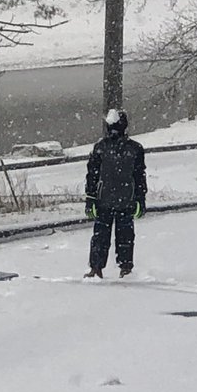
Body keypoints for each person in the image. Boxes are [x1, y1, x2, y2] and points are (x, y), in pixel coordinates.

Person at [84, 108, 147, 278]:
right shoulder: (132, 148)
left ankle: (103, 268)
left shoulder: (103, 148)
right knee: (119, 236)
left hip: (112, 200)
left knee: (104, 236)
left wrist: (90, 198)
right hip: (121, 200)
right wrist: (140, 198)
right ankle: (117, 267)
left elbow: (92, 175)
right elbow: (139, 176)